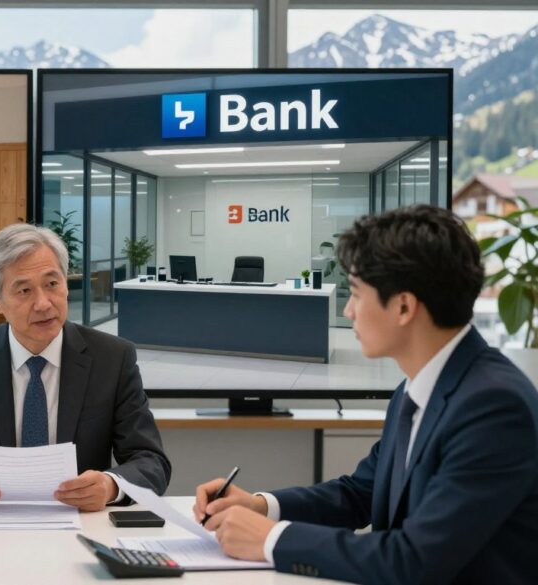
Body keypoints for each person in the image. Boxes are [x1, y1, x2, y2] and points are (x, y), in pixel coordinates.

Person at [193, 205, 538, 584]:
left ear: (404, 306)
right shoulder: (414, 389)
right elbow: (360, 494)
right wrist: (261, 506)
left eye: (356, 294)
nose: (348, 310)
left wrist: (272, 539)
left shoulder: (493, 407)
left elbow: (415, 561)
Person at [0, 223, 170, 512]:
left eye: (52, 284)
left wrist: (110, 486)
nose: (44, 304)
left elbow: (150, 460)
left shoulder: (113, 358)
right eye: (24, 290)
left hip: (83, 526)